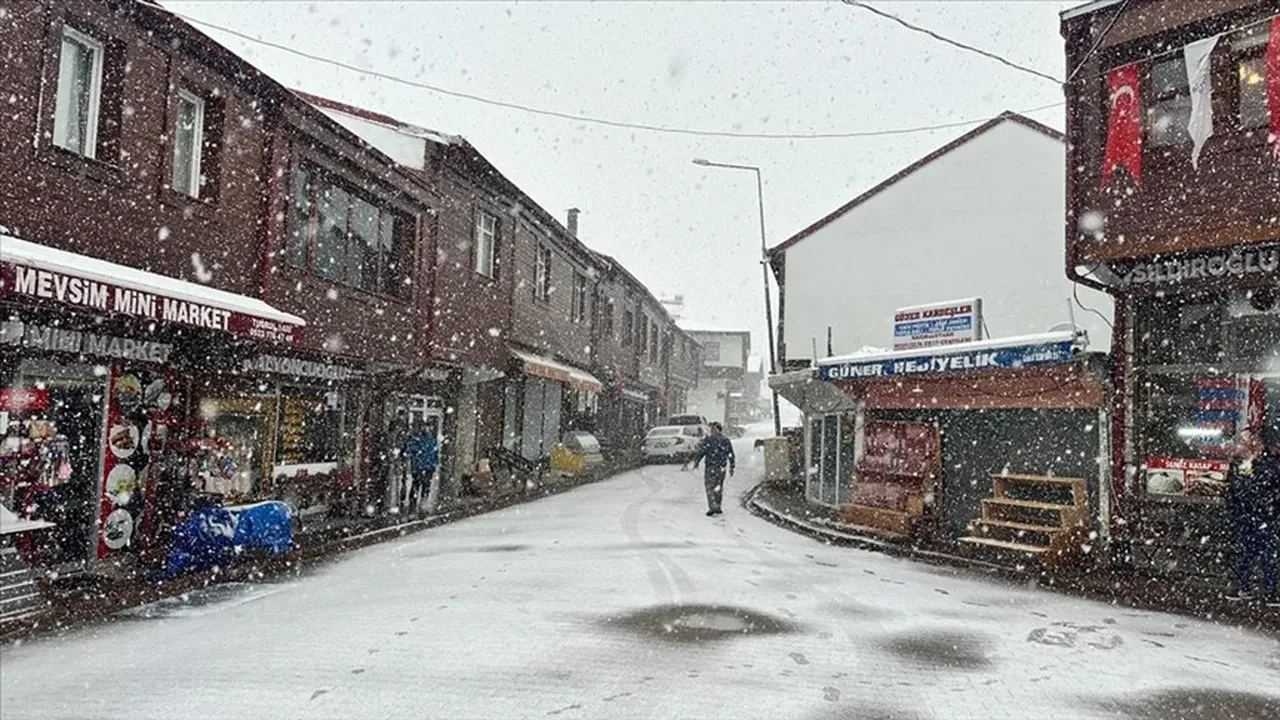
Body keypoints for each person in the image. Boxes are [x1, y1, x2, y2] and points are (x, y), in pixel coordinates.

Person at [1224, 427, 1279, 604]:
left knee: (1268, 554)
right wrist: (1234, 509)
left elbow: (1272, 489)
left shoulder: (1271, 463)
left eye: (1244, 441)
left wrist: (1267, 506)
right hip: (1245, 516)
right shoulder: (1238, 463)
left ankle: (1271, 591)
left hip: (1266, 517)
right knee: (1245, 553)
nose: (1240, 445)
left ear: (1256, 442)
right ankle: (1243, 587)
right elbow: (1232, 488)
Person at [689, 421, 735, 517]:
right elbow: (730, 454)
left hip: (711, 466)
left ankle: (712, 506)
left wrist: (697, 462)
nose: (711, 430)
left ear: (717, 429)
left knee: (710, 487)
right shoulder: (726, 440)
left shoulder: (709, 440)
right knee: (718, 486)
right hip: (721, 467)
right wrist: (732, 466)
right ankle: (717, 506)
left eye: (713, 429)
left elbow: (702, 451)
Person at [401, 420, 439, 515]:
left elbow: (435, 453)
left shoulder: (431, 440)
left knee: (426, 487)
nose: (426, 429)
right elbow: (410, 451)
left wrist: (434, 464)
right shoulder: (416, 439)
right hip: (418, 468)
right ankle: (413, 507)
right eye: (423, 427)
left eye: (427, 427)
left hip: (428, 467)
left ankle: (423, 505)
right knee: (416, 487)